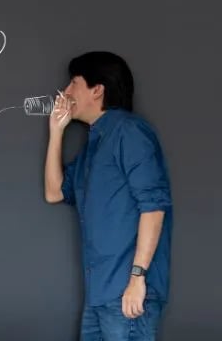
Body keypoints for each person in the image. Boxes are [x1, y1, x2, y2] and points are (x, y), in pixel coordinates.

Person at [44, 51, 172, 340]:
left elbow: (154, 207)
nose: (65, 92)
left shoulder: (129, 132)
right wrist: (56, 132)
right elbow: (54, 193)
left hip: (128, 294)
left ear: (97, 89)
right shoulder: (94, 144)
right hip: (99, 295)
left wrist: (138, 279)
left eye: (73, 83)